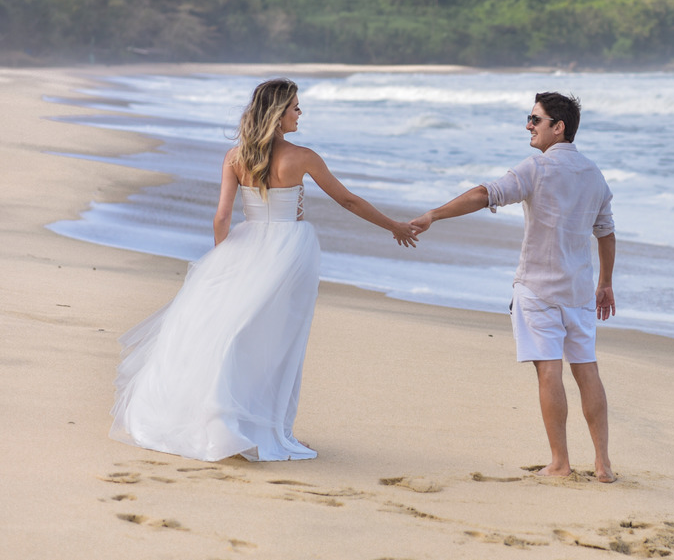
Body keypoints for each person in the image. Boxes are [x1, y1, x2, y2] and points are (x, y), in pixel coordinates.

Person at [110, 78, 420, 462]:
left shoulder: (234, 156)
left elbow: (221, 218)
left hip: (245, 247)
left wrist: (221, 262)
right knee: (281, 344)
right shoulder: (303, 157)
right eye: (295, 107)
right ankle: (269, 428)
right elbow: (349, 201)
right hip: (290, 251)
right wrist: (395, 227)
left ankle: (227, 420)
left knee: (236, 336)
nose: (300, 113)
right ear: (277, 114)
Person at [412, 92, 617, 483]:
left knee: (548, 371)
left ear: (558, 127)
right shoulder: (594, 174)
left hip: (538, 288)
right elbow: (606, 233)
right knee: (587, 370)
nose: (528, 125)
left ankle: (560, 463)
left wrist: (434, 215)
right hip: (578, 291)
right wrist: (605, 283)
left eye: (534, 119)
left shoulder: (536, 169)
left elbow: (484, 193)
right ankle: (603, 464)